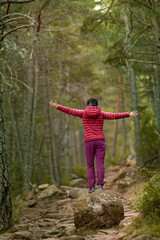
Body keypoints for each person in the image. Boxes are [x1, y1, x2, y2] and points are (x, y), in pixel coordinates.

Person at [49, 98, 138, 193]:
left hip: (89, 142)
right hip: (100, 141)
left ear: (88, 105)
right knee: (100, 164)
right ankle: (100, 186)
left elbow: (70, 111)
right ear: (97, 105)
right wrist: (129, 114)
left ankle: (91, 187)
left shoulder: (83, 113)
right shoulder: (101, 113)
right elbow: (114, 115)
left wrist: (57, 106)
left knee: (90, 165)